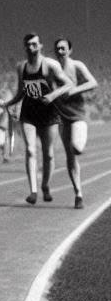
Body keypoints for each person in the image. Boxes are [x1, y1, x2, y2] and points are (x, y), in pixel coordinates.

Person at [0, 34, 71, 204]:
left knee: (48, 154)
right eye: (28, 45)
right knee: (30, 150)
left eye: (34, 44)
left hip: (49, 112)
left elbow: (68, 84)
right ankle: (33, 191)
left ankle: (45, 185)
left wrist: (52, 96)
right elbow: (22, 90)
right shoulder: (21, 66)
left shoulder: (50, 65)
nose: (31, 48)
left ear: (40, 46)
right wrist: (9, 103)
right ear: (25, 47)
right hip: (29, 112)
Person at [52, 38, 98, 208]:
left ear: (70, 50)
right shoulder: (52, 69)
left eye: (63, 48)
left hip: (78, 115)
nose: (60, 51)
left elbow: (93, 82)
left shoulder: (77, 65)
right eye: (57, 48)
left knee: (76, 148)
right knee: (70, 156)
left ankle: (79, 147)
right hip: (63, 118)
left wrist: (73, 91)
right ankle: (78, 193)